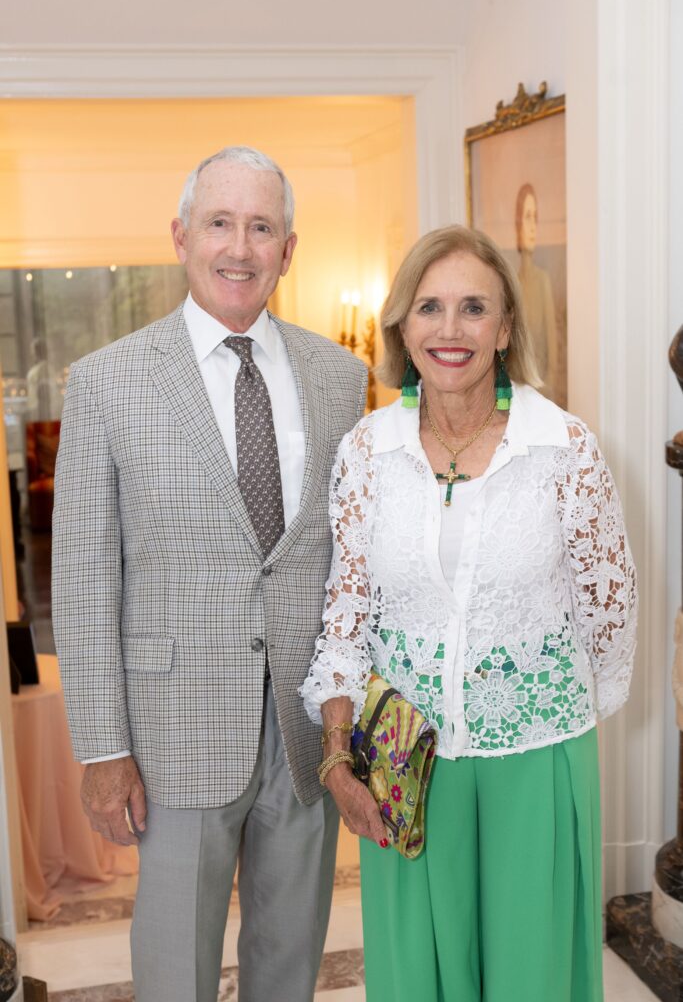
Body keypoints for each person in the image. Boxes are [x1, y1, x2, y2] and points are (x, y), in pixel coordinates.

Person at [52, 145, 368, 1002]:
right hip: (172, 731)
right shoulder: (107, 382)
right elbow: (82, 579)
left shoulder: (343, 379)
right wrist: (103, 748)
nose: (240, 247)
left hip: (305, 727)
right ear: (181, 237)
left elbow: (355, 558)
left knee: (290, 952)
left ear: (288, 249)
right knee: (175, 967)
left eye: (261, 227)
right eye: (220, 223)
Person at [300, 224, 637, 1001]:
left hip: (536, 751)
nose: (449, 329)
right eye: (428, 307)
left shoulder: (565, 449)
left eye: (472, 308)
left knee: (532, 972)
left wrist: (546, 714)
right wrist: (336, 757)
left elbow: (609, 616)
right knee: (419, 973)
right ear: (402, 328)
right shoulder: (365, 451)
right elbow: (345, 612)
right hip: (403, 757)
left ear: (505, 328)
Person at [515, 182, 561, 404]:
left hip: (541, 395)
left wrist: (548, 392)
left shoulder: (542, 280)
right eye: (527, 217)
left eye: (535, 218)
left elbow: (551, 348)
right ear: (518, 224)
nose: (532, 227)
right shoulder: (512, 283)